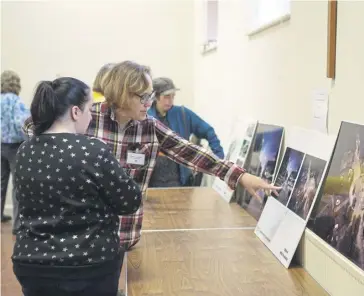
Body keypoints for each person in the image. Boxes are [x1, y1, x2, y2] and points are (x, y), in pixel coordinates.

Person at [23, 60, 280, 252]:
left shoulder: (150, 127)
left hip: (125, 236)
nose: (149, 102)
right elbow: (36, 127)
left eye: (151, 96)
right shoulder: (88, 118)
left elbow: (191, 152)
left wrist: (240, 176)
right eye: (143, 96)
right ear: (123, 93)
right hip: (82, 240)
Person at [13, 77, 142, 296]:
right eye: (90, 110)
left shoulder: (25, 150)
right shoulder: (93, 150)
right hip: (88, 264)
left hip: (32, 264)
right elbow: (129, 201)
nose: (91, 117)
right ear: (75, 112)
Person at [147, 77, 224, 187]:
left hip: (179, 182)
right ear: (156, 97)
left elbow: (209, 131)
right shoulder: (145, 116)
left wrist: (219, 158)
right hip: (151, 182)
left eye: (173, 96)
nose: (170, 101)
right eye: (166, 97)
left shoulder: (182, 114)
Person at [1, 70, 30, 225]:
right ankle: (18, 224)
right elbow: (22, 124)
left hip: (0, 145)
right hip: (14, 147)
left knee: (1, 181)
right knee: (17, 185)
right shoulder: (15, 101)